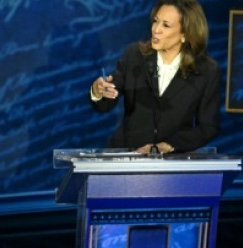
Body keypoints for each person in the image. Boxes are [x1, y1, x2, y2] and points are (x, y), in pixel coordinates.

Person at [89, 0, 219, 154]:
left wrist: (168, 145)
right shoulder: (134, 56)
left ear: (186, 33)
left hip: (172, 163)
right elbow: (106, 103)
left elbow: (208, 127)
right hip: (127, 156)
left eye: (165, 25)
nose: (156, 29)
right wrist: (98, 92)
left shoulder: (205, 70)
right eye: (155, 21)